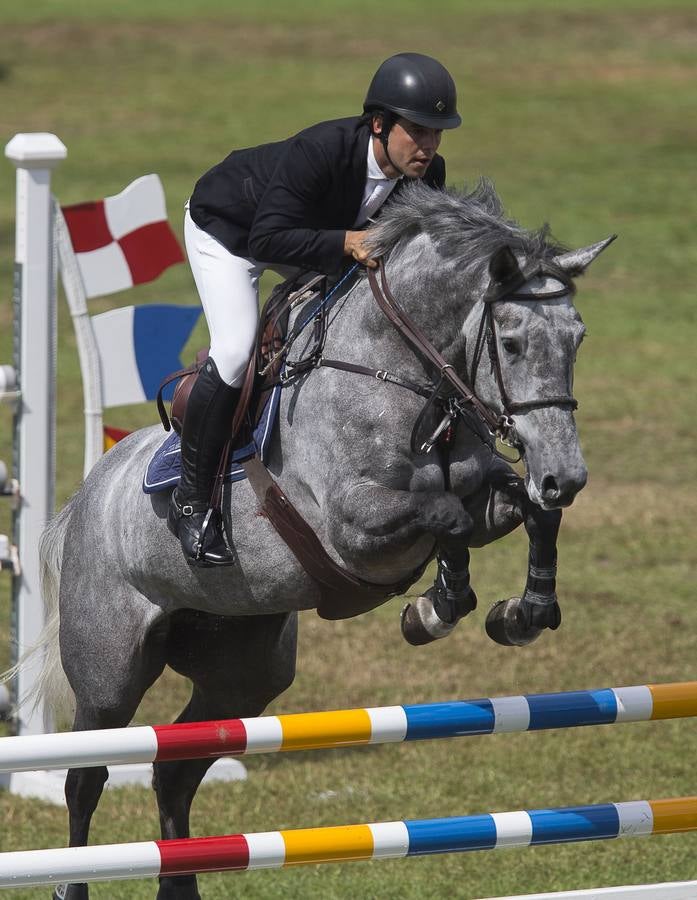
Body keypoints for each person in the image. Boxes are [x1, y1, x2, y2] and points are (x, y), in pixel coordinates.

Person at [170, 51, 462, 567]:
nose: (429, 145)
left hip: (309, 238)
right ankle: (191, 501)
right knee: (236, 351)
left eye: (438, 133)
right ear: (379, 123)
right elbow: (269, 237)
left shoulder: (427, 175)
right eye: (418, 130)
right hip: (231, 233)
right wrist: (347, 241)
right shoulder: (321, 150)